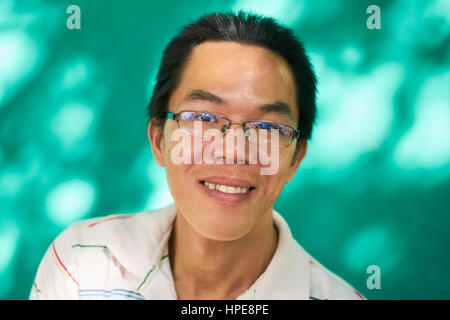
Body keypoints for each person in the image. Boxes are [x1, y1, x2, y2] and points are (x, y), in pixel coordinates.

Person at [30, 11, 365, 300]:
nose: (234, 151)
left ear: (295, 158)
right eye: (203, 119)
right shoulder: (79, 264)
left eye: (267, 128)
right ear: (159, 139)